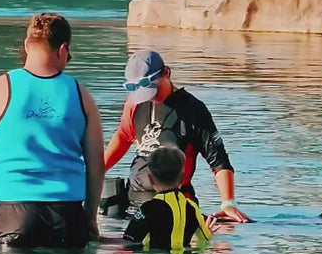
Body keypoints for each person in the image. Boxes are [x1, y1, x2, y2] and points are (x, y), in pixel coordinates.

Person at [0, 13, 105, 247]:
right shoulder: (82, 96)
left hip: (15, 215)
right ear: (62, 50)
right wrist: (90, 217)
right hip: (68, 214)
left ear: (26, 46)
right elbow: (96, 165)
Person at [104, 49, 249, 222]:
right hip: (135, 200)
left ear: (166, 73)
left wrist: (228, 204)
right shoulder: (134, 103)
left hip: (176, 202)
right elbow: (122, 136)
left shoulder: (193, 110)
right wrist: (95, 171)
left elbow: (219, 161)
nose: (148, 98)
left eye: (153, 90)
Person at [122, 145, 216, 250]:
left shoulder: (149, 208)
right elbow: (204, 240)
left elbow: (129, 241)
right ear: (182, 179)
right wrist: (208, 232)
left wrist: (102, 239)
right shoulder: (192, 207)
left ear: (150, 178)